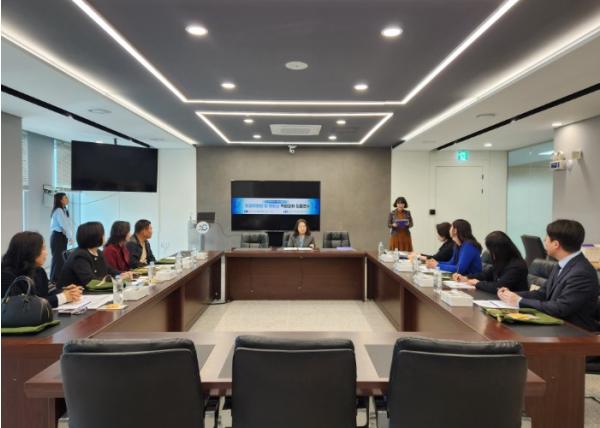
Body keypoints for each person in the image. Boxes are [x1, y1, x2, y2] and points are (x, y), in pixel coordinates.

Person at [498, 219, 599, 331]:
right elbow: (543, 293)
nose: (544, 240)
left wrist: (519, 301)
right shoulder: (562, 264)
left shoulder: (581, 273)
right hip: (555, 324)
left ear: (556, 244)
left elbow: (561, 308)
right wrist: (512, 295)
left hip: (575, 332)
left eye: (547, 238)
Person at [2, 231, 82, 308]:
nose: (46, 253)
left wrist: (65, 291)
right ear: (29, 251)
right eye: (42, 248)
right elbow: (24, 305)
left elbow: (50, 291)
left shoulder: (39, 270)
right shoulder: (6, 276)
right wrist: (63, 297)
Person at [58, 222, 131, 288]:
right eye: (103, 234)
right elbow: (90, 281)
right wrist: (117, 278)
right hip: (75, 295)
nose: (104, 236)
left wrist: (122, 274)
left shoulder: (98, 252)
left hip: (89, 292)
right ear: (95, 237)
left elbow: (109, 269)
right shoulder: (80, 255)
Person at [453, 231, 528, 294]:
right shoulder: (502, 261)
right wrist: (466, 278)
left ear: (499, 250)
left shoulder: (517, 266)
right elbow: (486, 275)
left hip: (513, 304)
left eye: (491, 250)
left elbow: (499, 287)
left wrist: (477, 283)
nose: (490, 253)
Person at [49, 192, 74, 282]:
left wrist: (69, 236)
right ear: (60, 200)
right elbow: (63, 225)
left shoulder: (63, 210)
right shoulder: (59, 210)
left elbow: (67, 224)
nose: (67, 199)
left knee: (60, 258)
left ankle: (56, 279)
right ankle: (55, 280)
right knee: (58, 259)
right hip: (58, 236)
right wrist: (70, 237)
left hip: (61, 237)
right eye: (65, 198)